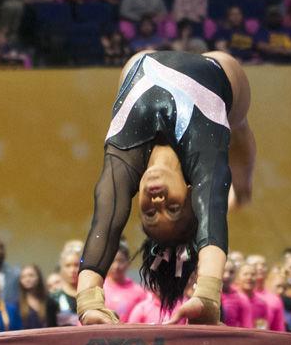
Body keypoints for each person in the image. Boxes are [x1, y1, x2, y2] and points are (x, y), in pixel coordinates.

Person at [77, 50, 256, 325]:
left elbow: (105, 222)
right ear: (191, 191)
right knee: (237, 126)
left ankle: (237, 192)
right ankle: (243, 190)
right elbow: (212, 214)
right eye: (173, 207)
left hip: (141, 61)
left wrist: (88, 302)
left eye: (149, 214)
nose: (157, 201)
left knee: (132, 67)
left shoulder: (125, 161)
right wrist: (208, 295)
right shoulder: (203, 158)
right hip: (217, 70)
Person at [102, 240, 146, 322]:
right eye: (112, 261)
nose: (116, 266)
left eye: (121, 261)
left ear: (128, 262)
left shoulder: (139, 291)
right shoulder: (98, 288)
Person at [246, 253, 285, 331]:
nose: (260, 268)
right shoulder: (238, 294)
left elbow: (279, 330)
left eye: (263, 265)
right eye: (255, 265)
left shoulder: (275, 299)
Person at [52, 241, 82, 325]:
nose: (72, 270)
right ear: (61, 268)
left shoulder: (91, 295)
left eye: (76, 265)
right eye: (68, 266)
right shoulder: (54, 298)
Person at [220, 259, 253, 328]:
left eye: (231, 272)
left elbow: (247, 327)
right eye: (223, 270)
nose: (227, 275)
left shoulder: (241, 298)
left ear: (236, 275)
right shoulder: (207, 294)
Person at [235, 262, 268, 329]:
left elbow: (262, 328)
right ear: (237, 277)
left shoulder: (261, 303)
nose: (249, 277)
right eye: (245, 274)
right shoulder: (232, 298)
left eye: (253, 275)